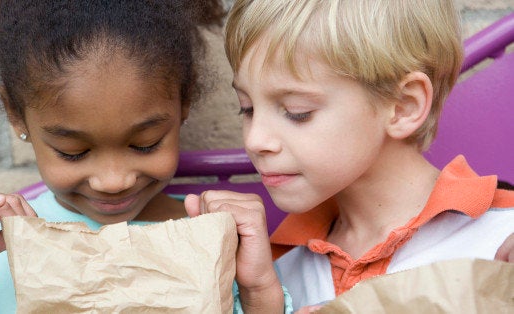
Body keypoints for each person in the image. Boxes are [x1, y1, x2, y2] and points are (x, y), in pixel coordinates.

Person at [0, 1, 283, 313]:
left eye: (145, 143)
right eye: (73, 152)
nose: (113, 180)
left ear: (185, 100)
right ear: (14, 113)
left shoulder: (214, 239)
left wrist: (258, 289)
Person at [185, 0, 514, 311]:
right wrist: (259, 297)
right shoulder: (272, 270)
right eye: (247, 108)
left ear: (403, 107)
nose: (255, 139)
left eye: (296, 112)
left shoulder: (502, 237)